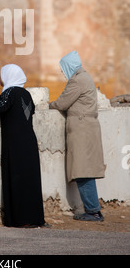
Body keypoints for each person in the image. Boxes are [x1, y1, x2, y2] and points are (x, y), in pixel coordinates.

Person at [0, 64, 46, 228]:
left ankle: (20, 219)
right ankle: (35, 218)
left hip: (16, 143)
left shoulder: (10, 92)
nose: (0, 79)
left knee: (17, 178)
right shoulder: (25, 94)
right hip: (29, 141)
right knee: (30, 180)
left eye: (1, 75)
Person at [49, 51, 106, 222]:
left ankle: (93, 211)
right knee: (85, 170)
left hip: (83, 131)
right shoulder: (84, 77)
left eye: (63, 68)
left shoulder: (77, 80)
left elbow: (62, 103)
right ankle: (93, 209)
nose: (61, 71)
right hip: (86, 129)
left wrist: (48, 104)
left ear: (69, 66)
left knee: (83, 171)